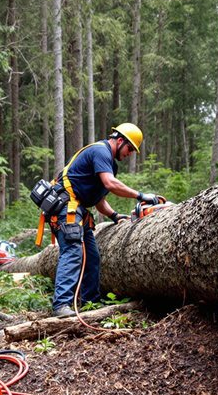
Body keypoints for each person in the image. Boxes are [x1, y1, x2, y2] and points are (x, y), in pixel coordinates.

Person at [50, 123, 163, 316]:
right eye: (129, 149)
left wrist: (114, 216)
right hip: (65, 207)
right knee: (72, 251)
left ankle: (90, 302)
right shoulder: (100, 151)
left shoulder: (110, 163)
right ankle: (61, 305)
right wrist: (141, 195)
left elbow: (99, 199)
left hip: (78, 211)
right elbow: (110, 184)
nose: (129, 154)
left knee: (92, 256)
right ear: (120, 141)